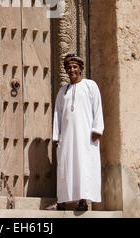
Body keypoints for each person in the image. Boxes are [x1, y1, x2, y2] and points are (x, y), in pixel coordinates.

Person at [50, 53, 104, 211]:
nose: (72, 70)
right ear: (66, 71)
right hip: (66, 137)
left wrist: (97, 129)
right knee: (66, 167)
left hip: (86, 136)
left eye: (74, 67)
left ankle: (83, 201)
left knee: (84, 165)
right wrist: (56, 136)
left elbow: (97, 108)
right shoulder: (63, 91)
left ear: (80, 69)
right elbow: (57, 114)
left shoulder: (90, 86)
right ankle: (62, 201)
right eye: (68, 68)